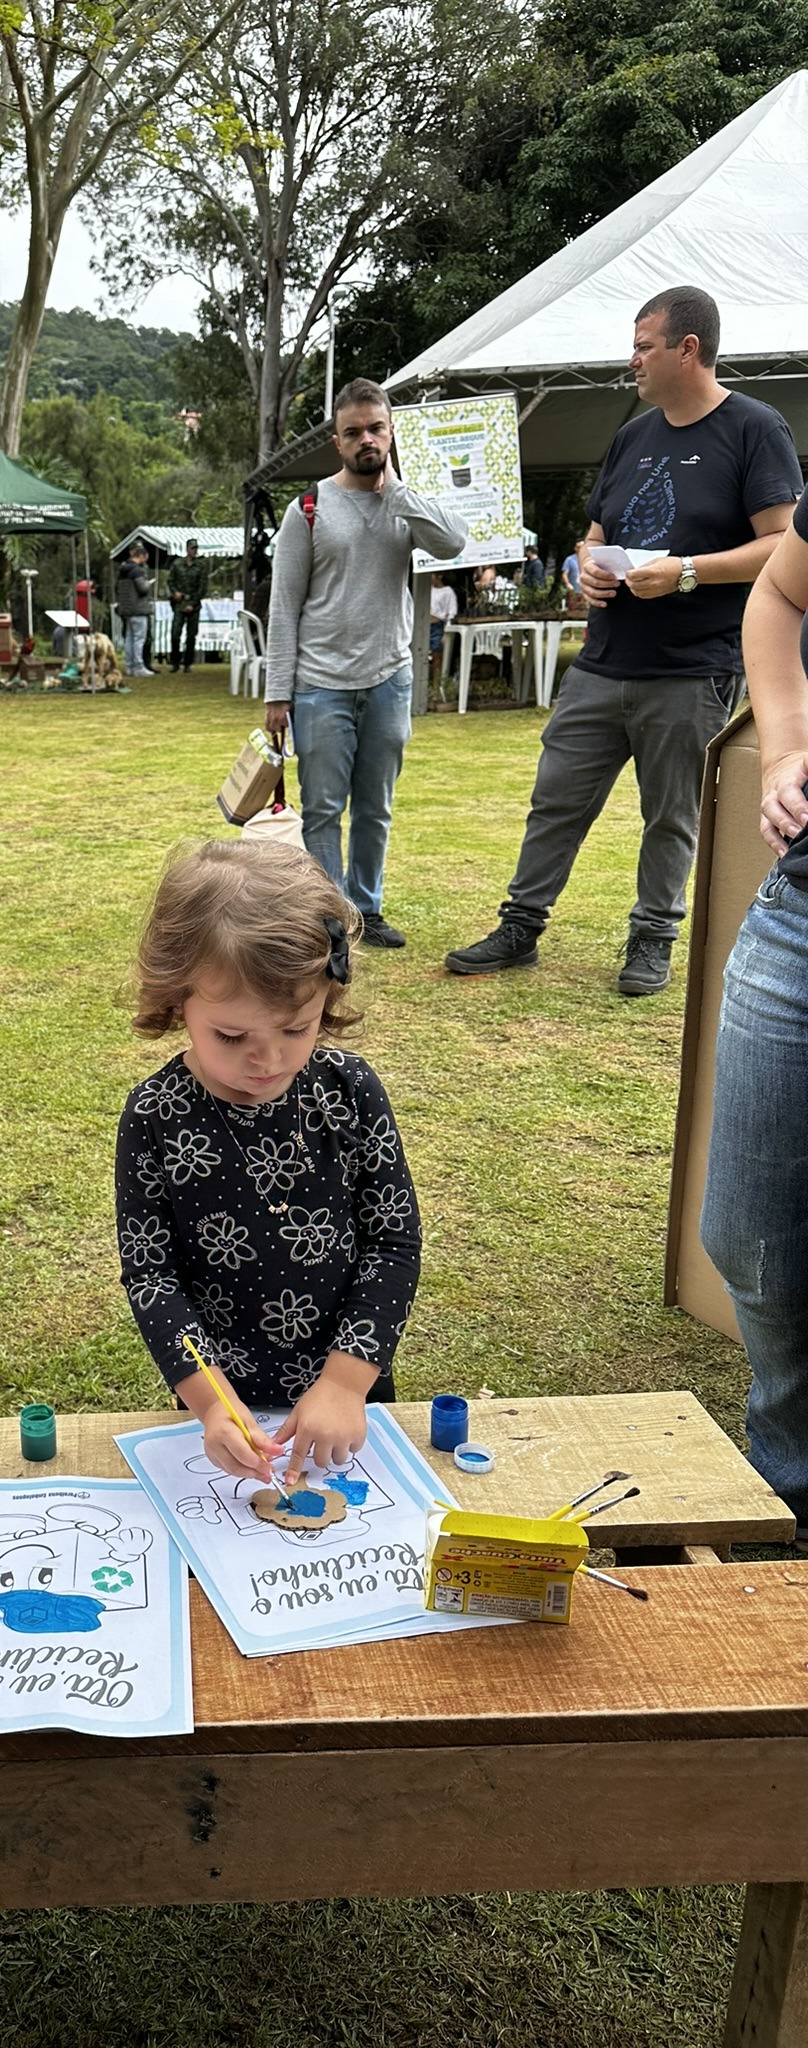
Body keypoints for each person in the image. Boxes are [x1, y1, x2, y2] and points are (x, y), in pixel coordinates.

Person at [446, 286, 800, 996]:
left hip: (692, 669)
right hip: (603, 661)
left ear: (687, 349)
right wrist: (586, 564)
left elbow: (783, 547)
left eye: (642, 347)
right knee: (555, 798)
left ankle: (652, 940)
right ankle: (521, 926)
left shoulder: (755, 429)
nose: (630, 362)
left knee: (671, 816)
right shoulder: (632, 436)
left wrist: (688, 574)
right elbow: (598, 531)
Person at [114, 839, 421, 1481]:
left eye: (297, 1028)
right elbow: (152, 1277)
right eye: (232, 1036)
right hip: (223, 1401)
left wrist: (344, 1384)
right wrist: (212, 1402)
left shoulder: (350, 1092)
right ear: (177, 1003)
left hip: (349, 1385)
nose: (270, 1060)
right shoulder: (154, 1117)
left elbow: (392, 1244)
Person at [263, 378, 468, 950]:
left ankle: (368, 909)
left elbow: (455, 542)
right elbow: (284, 608)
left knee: (376, 807)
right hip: (319, 686)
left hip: (388, 681)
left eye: (375, 428)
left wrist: (396, 492)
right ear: (338, 440)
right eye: (353, 432)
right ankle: (331, 919)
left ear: (390, 431)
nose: (366, 440)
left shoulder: (406, 505)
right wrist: (277, 696)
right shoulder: (306, 509)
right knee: (323, 809)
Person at [699, 506, 808, 1539]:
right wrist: (784, 753)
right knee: (748, 1233)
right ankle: (786, 1489)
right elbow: (780, 592)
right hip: (801, 912)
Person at [167, 538, 211, 672]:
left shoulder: (200, 566)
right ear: (187, 549)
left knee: (191, 635)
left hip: (194, 603)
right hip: (179, 603)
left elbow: (202, 587)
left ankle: (187, 664)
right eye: (192, 548)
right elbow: (170, 581)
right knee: (175, 634)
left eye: (196, 548)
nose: (194, 551)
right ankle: (175, 663)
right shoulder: (177, 564)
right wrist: (175, 593)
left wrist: (192, 603)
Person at [115, 543, 154, 677]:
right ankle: (139, 666)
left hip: (126, 609)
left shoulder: (122, 570)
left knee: (129, 639)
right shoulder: (137, 571)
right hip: (138, 608)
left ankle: (129, 666)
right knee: (139, 639)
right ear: (142, 556)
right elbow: (142, 588)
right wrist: (148, 584)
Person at [429, 572, 457, 682]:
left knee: (437, 655)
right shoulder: (429, 590)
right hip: (426, 624)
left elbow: (451, 612)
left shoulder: (448, 592)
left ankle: (437, 682)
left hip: (438, 624)